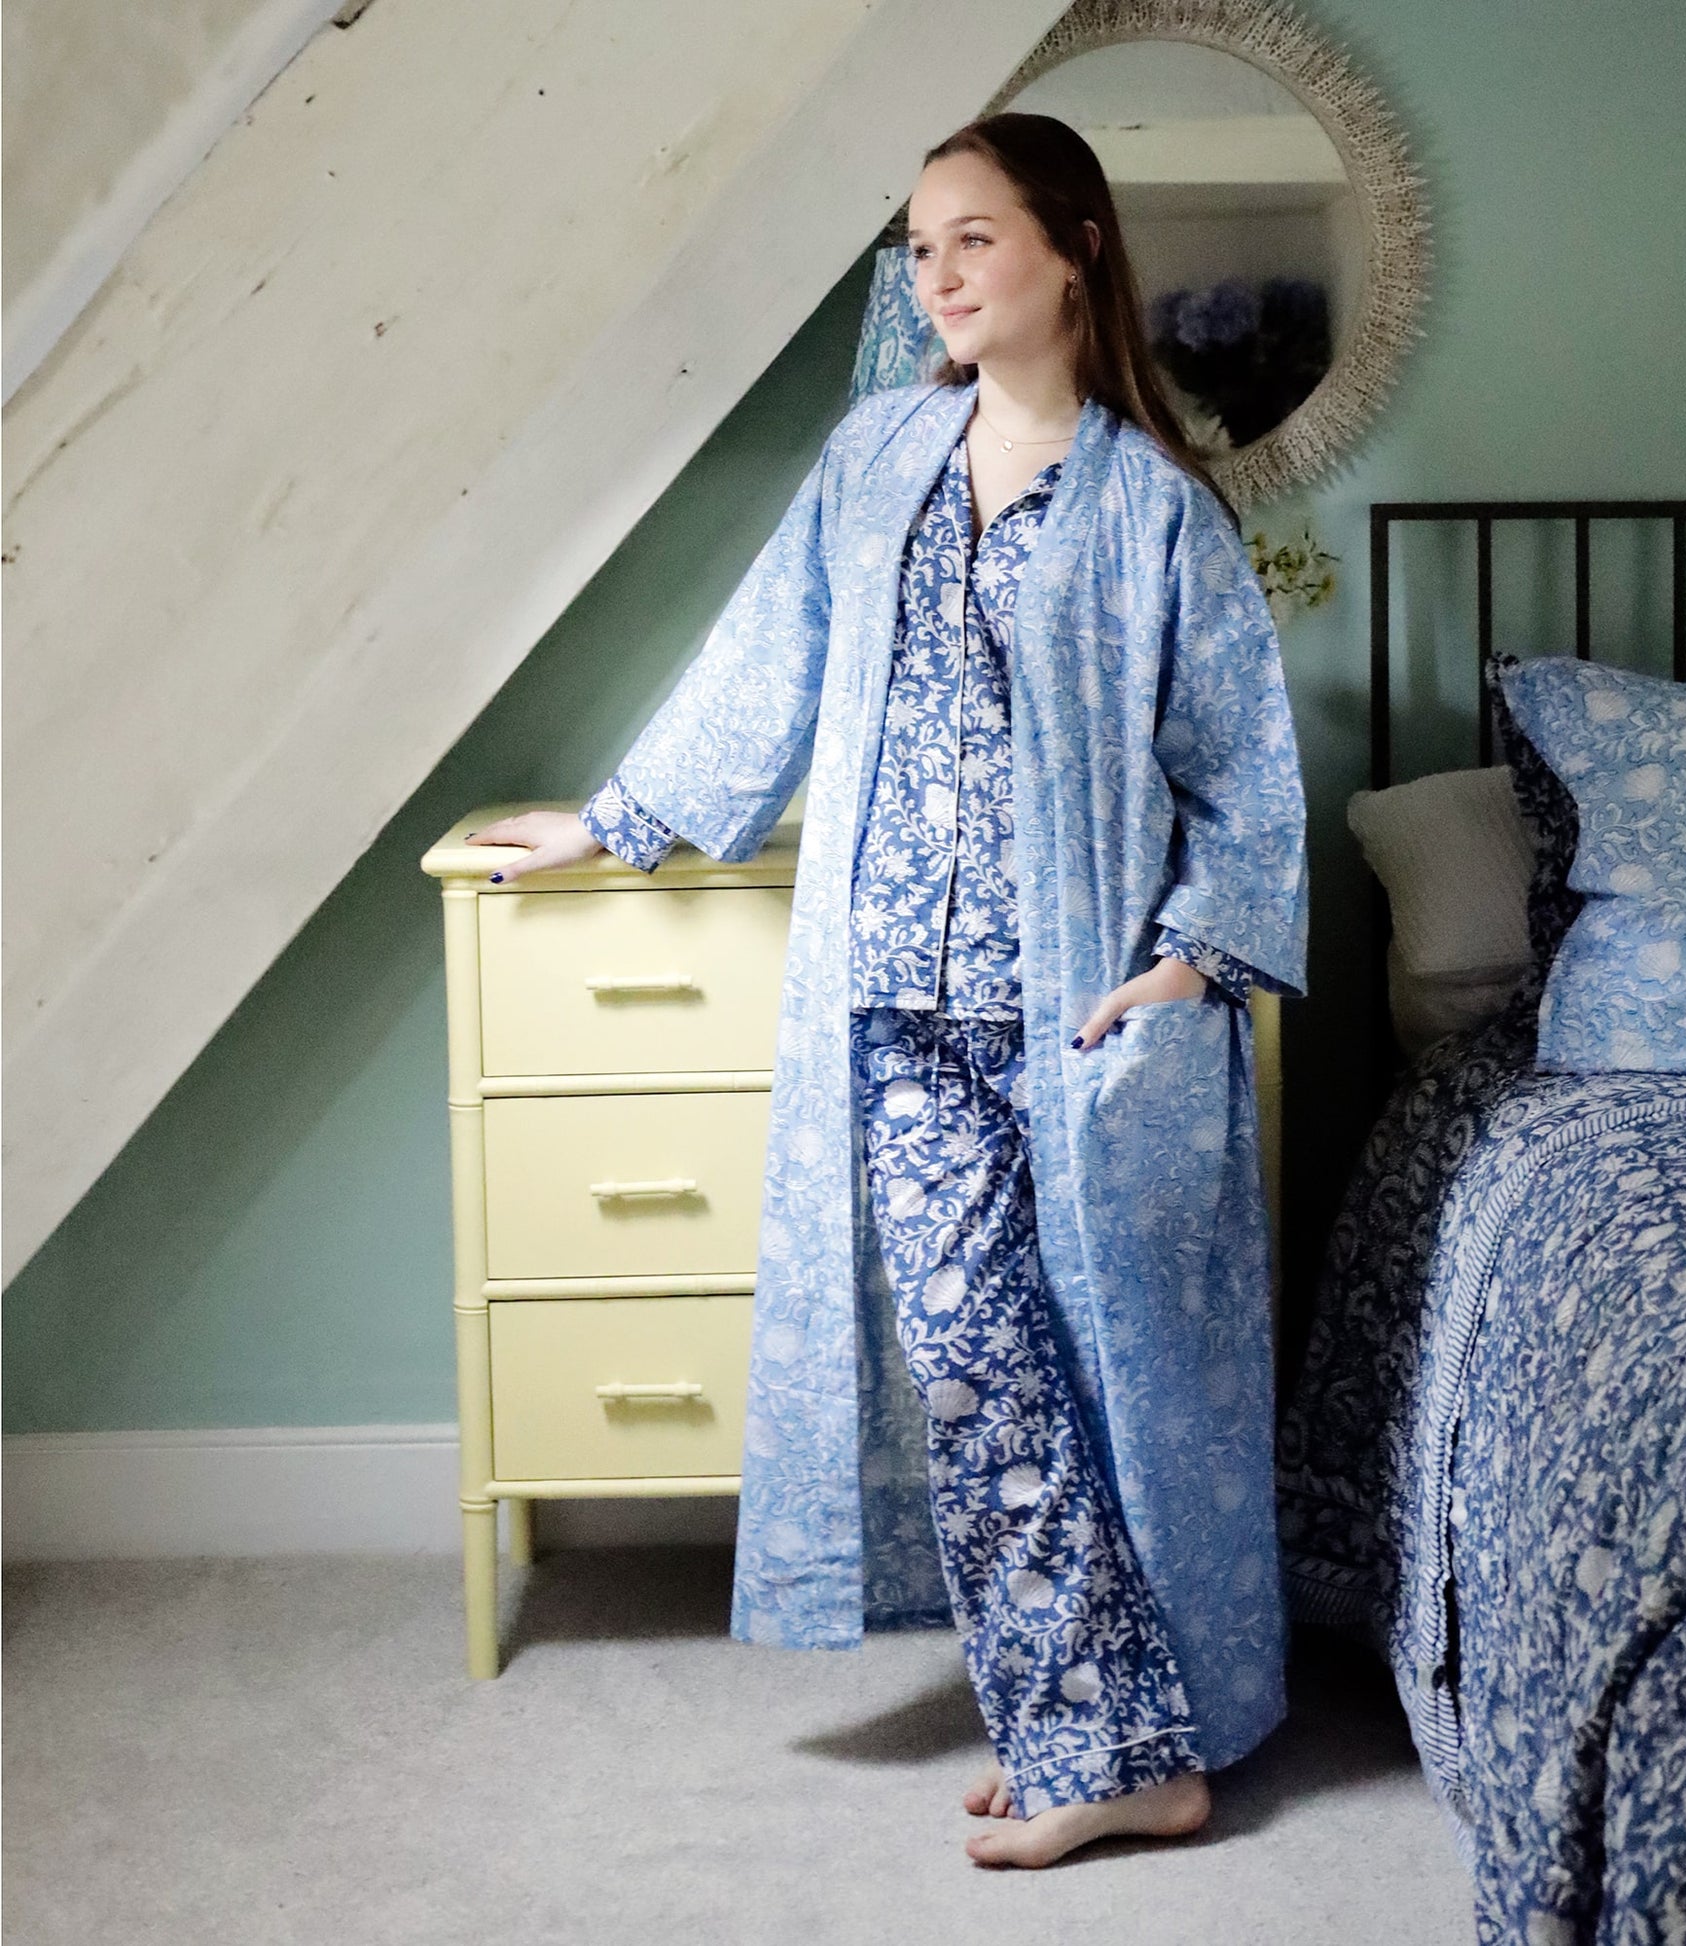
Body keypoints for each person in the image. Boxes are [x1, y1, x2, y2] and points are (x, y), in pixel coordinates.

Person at [467, 112, 1308, 1869]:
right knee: (971, 1359)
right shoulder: (875, 457)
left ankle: (1101, 1734)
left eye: (972, 238)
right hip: (894, 1008)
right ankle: (1099, 1734)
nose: (937, 274)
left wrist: (1188, 966)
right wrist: (612, 820)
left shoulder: (1153, 510)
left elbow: (1239, 765)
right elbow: (766, 655)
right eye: (919, 247)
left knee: (1107, 1375)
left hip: (1081, 1018)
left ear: (1073, 250)